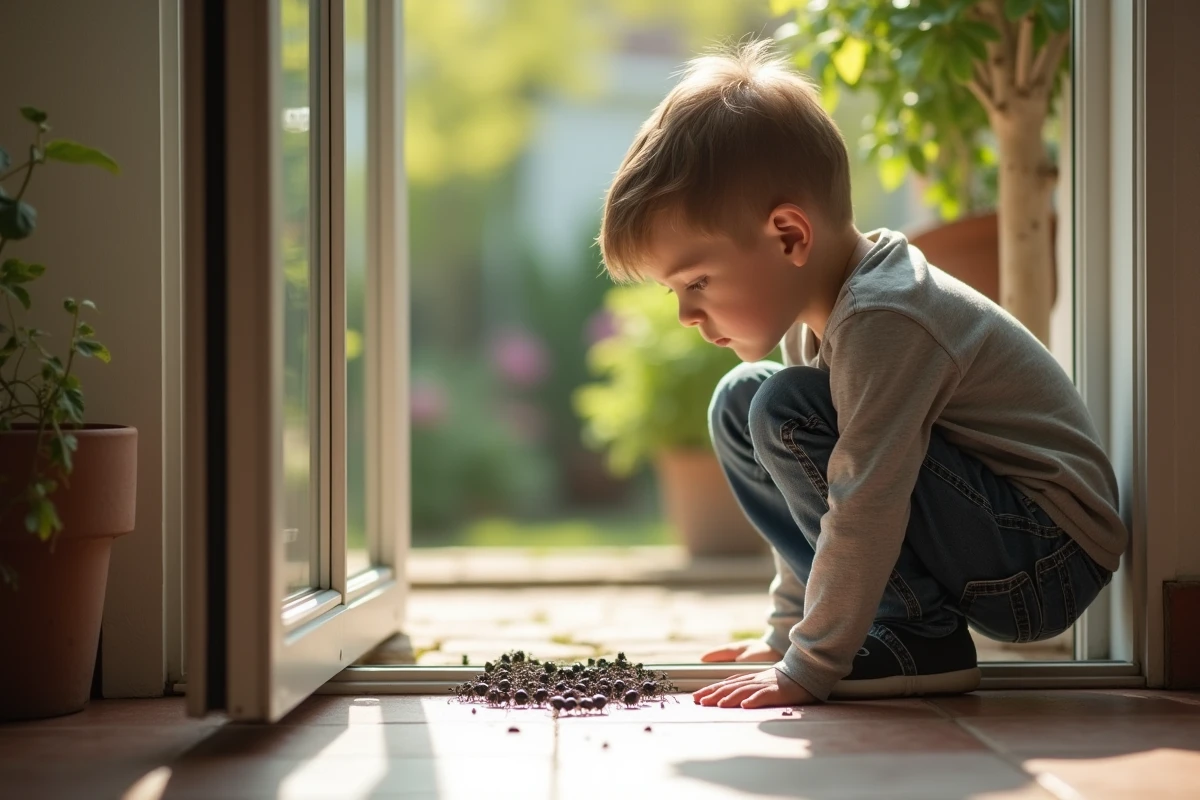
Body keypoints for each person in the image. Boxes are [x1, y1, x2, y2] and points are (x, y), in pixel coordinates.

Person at [594, 40, 1127, 708]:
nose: (685, 314)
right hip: (998, 535)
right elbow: (812, 504)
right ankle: (899, 628)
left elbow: (865, 495)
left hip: (1046, 559)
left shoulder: (885, 316)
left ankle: (918, 639)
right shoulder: (813, 315)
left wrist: (810, 665)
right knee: (743, 402)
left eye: (696, 280)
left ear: (789, 236)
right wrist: (788, 632)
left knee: (780, 408)